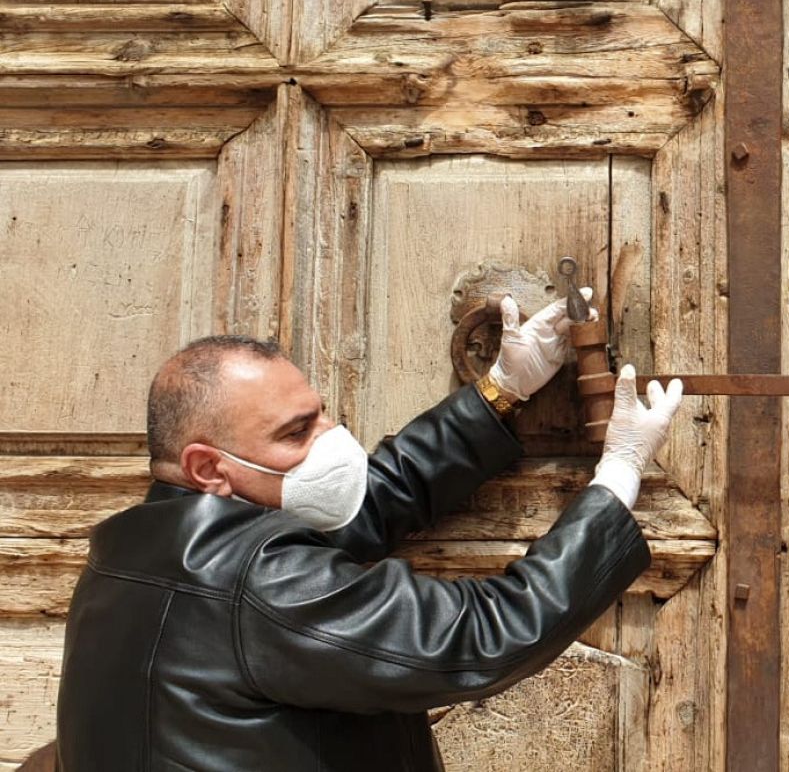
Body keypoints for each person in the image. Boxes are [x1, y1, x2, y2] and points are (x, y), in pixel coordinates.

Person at [55, 293, 683, 770]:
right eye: (296, 432)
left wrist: (500, 390)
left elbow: (366, 506)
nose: (331, 437)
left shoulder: (136, 551)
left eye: (319, 413)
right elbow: (484, 634)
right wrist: (617, 478)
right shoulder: (259, 583)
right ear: (209, 468)